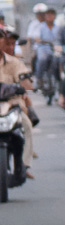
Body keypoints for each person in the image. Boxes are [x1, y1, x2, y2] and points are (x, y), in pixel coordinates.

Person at [0, 26, 37, 178]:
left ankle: (24, 165)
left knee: (26, 125)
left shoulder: (14, 62)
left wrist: (26, 86)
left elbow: (26, 81)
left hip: (11, 106)